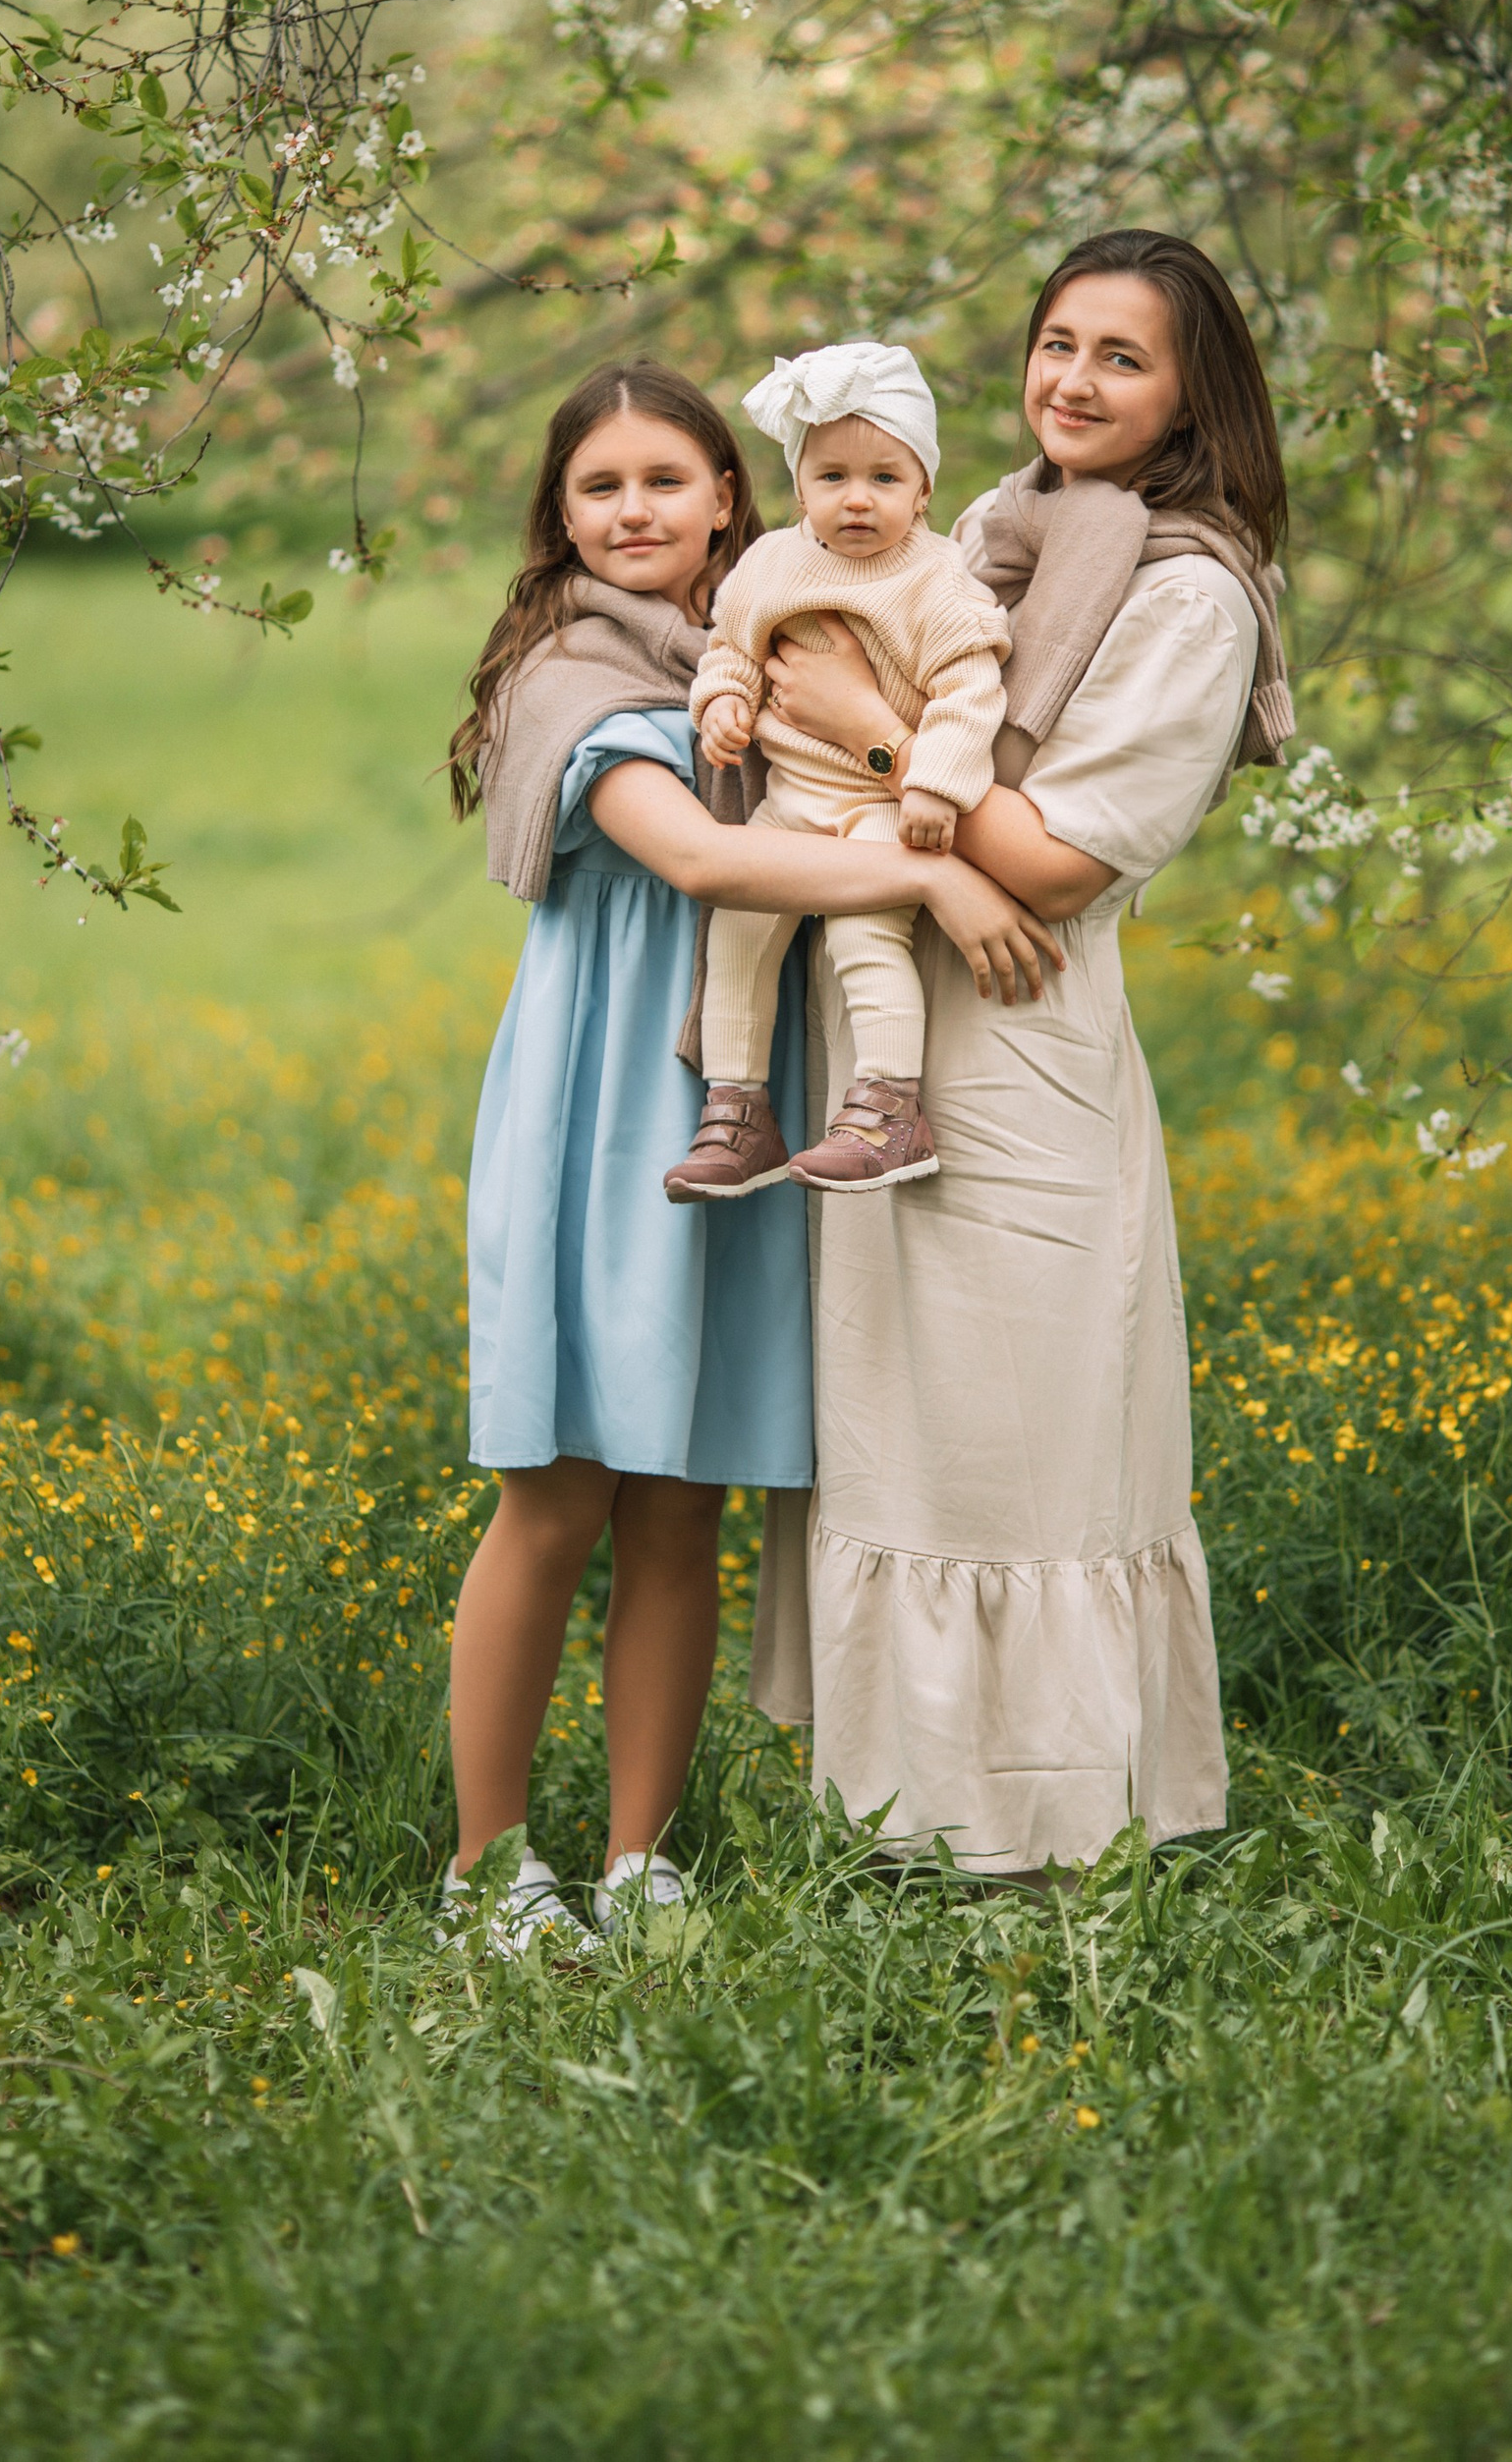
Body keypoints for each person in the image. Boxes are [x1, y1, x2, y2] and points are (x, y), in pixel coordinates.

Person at [442, 360, 1066, 1952]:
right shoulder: (568, 675)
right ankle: (489, 1868)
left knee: (682, 1503)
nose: (635, 508)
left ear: (737, 492)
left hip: (752, 1101)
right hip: (603, 1109)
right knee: (559, 1493)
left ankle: (643, 1860)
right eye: (601, 486)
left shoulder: (791, 629)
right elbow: (706, 850)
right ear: (561, 514)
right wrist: (939, 881)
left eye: (669, 477)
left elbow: (940, 692)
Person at [746, 229, 1294, 1878]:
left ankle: (1049, 1826)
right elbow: (774, 662)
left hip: (1027, 1040)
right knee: (895, 1416)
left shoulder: (1188, 589)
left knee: (1024, 1438)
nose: (1074, 379)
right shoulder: (977, 528)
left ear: (1194, 390)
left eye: (1122, 356)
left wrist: (863, 715)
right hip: (886, 1025)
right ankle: (902, 1815)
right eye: (1060, 340)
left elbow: (1052, 855)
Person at [666, 340, 1010, 1204]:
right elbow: (730, 648)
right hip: (790, 803)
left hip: (878, 810)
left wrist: (933, 780)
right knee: (738, 930)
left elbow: (971, 692)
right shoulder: (774, 564)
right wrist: (723, 706)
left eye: (885, 479)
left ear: (925, 488)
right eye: (832, 479)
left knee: (865, 940)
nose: (857, 500)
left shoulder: (939, 583)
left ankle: (891, 1108)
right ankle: (739, 1111)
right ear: (801, 487)